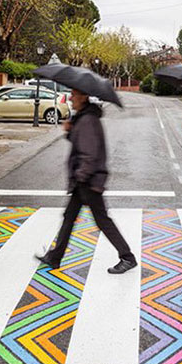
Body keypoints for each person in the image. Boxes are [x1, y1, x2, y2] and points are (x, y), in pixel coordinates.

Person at [38, 89, 137, 274]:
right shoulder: (83, 119)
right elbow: (80, 143)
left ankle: (127, 257)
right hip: (83, 179)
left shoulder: (88, 121)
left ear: (83, 97)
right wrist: (70, 131)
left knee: (102, 220)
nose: (70, 98)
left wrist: (81, 176)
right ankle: (54, 257)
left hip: (88, 180)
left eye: (74, 95)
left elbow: (89, 154)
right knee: (69, 217)